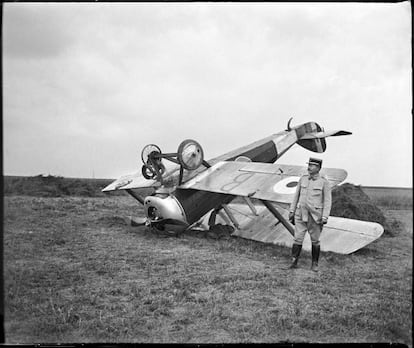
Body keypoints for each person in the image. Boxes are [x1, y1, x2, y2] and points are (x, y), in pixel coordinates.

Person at [288, 157, 332, 272]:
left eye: (312, 165)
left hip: (315, 216)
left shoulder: (324, 182)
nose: (309, 167)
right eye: (309, 165)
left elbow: (327, 201)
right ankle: (294, 261)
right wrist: (292, 211)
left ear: (318, 168)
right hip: (300, 213)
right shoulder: (303, 179)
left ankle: (314, 264)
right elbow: (296, 196)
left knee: (315, 240)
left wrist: (325, 216)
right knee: (297, 238)